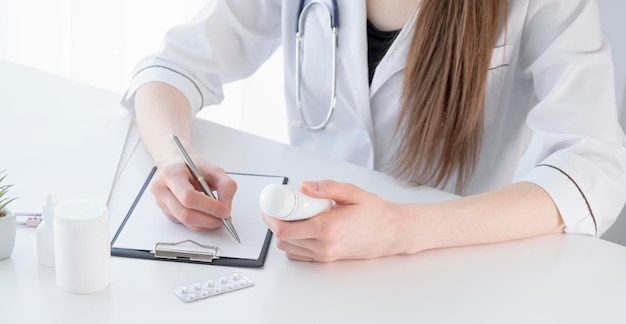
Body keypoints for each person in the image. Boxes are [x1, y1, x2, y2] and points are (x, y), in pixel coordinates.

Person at [123, 0, 626, 262]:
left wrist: (398, 231)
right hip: (310, 266)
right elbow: (171, 69)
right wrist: (175, 160)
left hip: (457, 271)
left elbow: (592, 167)